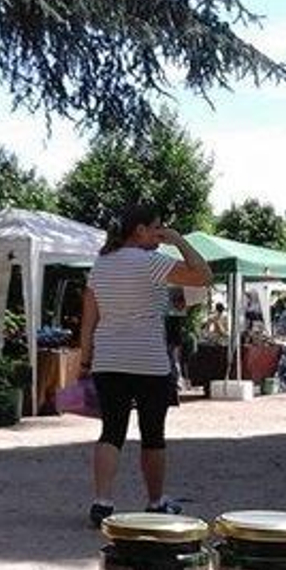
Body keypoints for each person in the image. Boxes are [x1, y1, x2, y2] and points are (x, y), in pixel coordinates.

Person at [80, 204, 211, 527]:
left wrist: (85, 359)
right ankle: (155, 502)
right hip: (148, 360)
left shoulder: (100, 265)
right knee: (153, 434)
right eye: (156, 227)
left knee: (111, 431)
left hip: (109, 359)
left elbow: (88, 321)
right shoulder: (152, 262)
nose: (160, 232)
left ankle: (102, 501)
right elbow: (203, 275)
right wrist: (179, 240)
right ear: (139, 230)